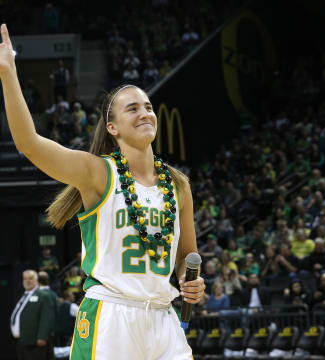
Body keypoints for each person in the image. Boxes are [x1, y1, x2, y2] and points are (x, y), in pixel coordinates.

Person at [0, 24, 204, 360]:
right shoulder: (98, 172)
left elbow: (186, 257)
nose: (145, 113)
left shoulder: (177, 183)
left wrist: (189, 280)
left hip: (163, 318)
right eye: (133, 108)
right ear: (113, 127)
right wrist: (8, 74)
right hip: (111, 315)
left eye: (148, 106)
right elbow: (29, 144)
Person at [10, 270, 54, 360]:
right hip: (22, 341)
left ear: (36, 280)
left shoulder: (43, 295)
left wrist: (42, 337)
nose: (27, 281)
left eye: (30, 278)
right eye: (25, 278)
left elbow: (46, 317)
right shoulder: (25, 296)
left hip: (35, 342)